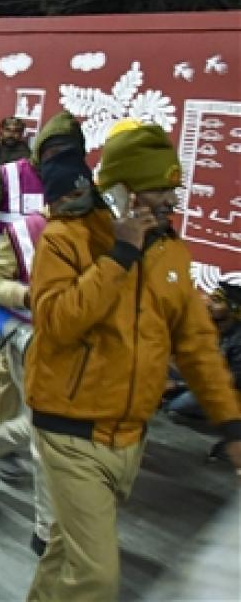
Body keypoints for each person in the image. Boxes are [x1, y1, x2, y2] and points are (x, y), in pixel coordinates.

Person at [25, 124, 241, 601]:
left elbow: (198, 345)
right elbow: (57, 323)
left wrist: (231, 424)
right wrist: (120, 254)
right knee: (97, 578)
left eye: (173, 188)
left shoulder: (172, 255)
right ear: (121, 191)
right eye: (157, 189)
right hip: (69, 430)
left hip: (130, 438)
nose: (169, 200)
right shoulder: (66, 238)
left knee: (67, 553)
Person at [0, 148, 94, 558]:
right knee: (48, 436)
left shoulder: (104, 231)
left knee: (62, 429)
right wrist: (29, 294)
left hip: (87, 347)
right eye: (70, 196)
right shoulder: (26, 231)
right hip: (33, 339)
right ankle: (46, 531)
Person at [0, 111, 85, 442]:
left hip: (53, 297)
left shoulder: (79, 184)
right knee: (11, 359)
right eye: (54, 150)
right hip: (4, 289)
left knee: (8, 363)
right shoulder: (5, 177)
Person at [166, 281, 241, 422]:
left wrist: (178, 385)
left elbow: (231, 381)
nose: (207, 302)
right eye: (211, 298)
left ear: (233, 310)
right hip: (195, 380)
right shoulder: (203, 324)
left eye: (216, 300)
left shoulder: (238, 340)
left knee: (178, 405)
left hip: (222, 391)